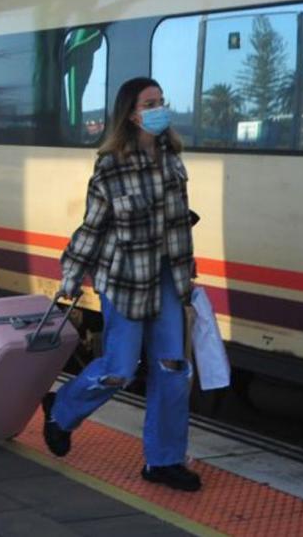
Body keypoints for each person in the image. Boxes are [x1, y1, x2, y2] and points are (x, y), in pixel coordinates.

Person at [43, 77, 201, 492]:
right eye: (151, 103)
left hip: (167, 277)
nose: (160, 108)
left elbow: (180, 224)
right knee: (119, 370)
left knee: (173, 369)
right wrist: (73, 277)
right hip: (125, 280)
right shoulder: (111, 166)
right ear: (132, 114)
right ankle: (61, 410)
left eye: (162, 101)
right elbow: (93, 227)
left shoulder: (172, 158)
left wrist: (188, 275)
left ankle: (163, 461)